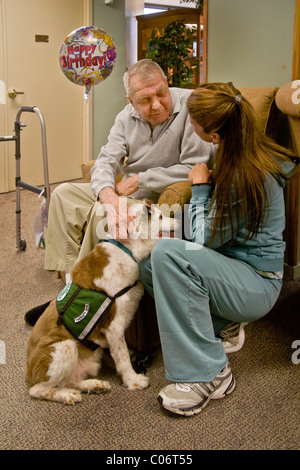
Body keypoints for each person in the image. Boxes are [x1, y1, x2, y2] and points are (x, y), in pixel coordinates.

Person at [140, 82, 297, 417]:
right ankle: (220, 326)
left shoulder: (244, 172)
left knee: (168, 253)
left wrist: (199, 188)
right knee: (149, 263)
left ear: (211, 133)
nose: (187, 122)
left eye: (191, 119)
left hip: (257, 283)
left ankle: (210, 374)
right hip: (233, 269)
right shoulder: (235, 147)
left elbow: (202, 241)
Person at [24, 59, 214, 325]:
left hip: (159, 198)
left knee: (103, 211)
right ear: (131, 101)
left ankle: (80, 295)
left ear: (167, 84)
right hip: (127, 194)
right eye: (145, 99)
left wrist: (140, 179)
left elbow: (195, 168)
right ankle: (69, 286)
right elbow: (106, 161)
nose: (157, 104)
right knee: (64, 193)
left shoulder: (190, 107)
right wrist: (108, 193)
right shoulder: (125, 117)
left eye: (161, 93)